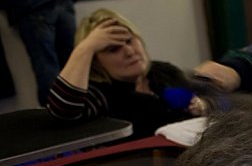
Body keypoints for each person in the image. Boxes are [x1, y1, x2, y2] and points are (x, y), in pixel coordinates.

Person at [46, 9, 204, 139]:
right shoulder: (100, 94)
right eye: (113, 49)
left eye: (129, 41)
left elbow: (209, 104)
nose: (129, 52)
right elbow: (62, 111)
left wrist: (203, 105)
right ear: (95, 62)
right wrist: (86, 47)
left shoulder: (164, 71)